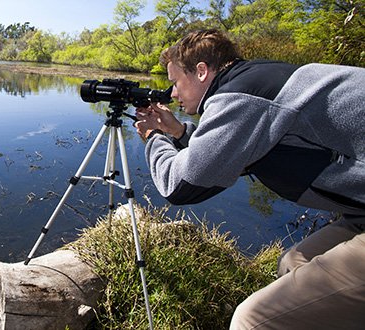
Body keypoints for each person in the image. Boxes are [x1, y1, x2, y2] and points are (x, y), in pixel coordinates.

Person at [134, 29, 365, 329]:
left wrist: (154, 138)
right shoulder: (254, 81)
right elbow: (232, 152)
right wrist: (178, 132)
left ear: (201, 71)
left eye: (176, 82)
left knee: (252, 320)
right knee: (292, 263)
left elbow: (180, 185)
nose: (173, 93)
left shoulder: (238, 98)